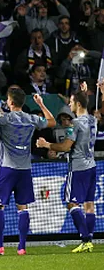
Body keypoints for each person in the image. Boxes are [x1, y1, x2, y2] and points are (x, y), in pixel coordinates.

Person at [0, 89, 56, 256]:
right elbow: (52, 122)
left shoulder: (3, 118)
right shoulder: (31, 118)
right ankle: (22, 247)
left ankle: (0, 246)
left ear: (10, 102)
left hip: (7, 168)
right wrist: (41, 104)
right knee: (22, 208)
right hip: (24, 169)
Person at [36, 91, 95, 253]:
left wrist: (46, 144)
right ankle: (89, 239)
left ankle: (85, 239)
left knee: (71, 202)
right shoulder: (93, 120)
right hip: (91, 166)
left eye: (72, 102)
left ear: (79, 105)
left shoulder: (75, 124)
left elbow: (65, 147)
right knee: (89, 204)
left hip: (78, 168)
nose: (69, 105)